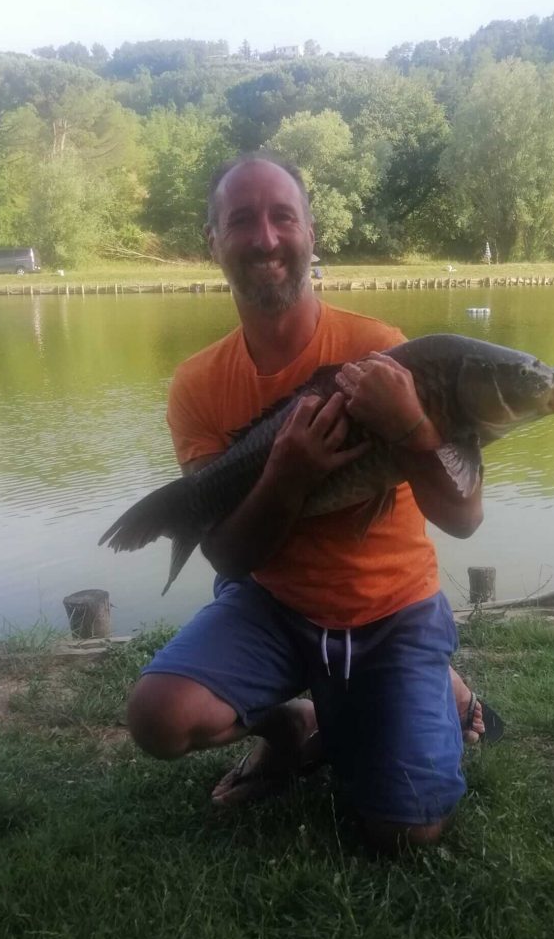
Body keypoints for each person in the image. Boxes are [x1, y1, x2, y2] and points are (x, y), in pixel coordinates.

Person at [126, 153, 502, 852]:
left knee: (407, 828)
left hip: (389, 608)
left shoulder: (382, 351)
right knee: (159, 716)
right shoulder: (198, 385)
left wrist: (411, 429)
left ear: (309, 231)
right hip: (276, 606)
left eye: (282, 217)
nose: (266, 237)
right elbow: (232, 557)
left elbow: (462, 518)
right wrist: (290, 472)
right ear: (213, 240)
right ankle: (296, 723)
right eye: (242, 220)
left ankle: (425, 682)